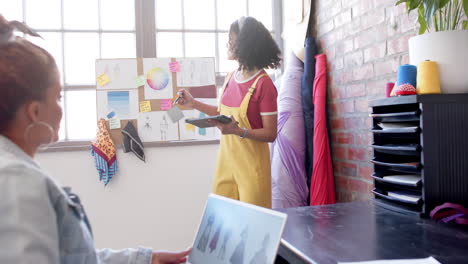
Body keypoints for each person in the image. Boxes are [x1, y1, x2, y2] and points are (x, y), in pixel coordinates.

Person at [0, 15, 190, 264]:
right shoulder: (16, 179)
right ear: (34, 112)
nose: (60, 109)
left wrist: (143, 259)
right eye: (58, 97)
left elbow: (73, 258)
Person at [177, 16, 281, 208]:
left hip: (252, 169)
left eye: (231, 41)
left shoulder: (263, 84)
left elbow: (271, 133)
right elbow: (221, 112)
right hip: (226, 165)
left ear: (245, 45)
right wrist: (194, 104)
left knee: (252, 227)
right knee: (223, 224)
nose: (228, 45)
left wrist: (237, 131)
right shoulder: (230, 77)